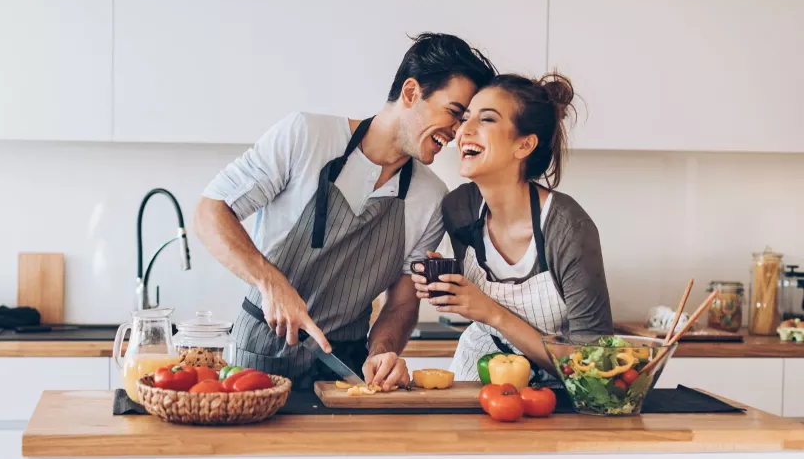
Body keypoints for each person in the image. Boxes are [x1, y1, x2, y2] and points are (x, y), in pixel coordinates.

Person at [196, 33, 497, 389]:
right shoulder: (306, 136)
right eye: (454, 113)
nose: (459, 132)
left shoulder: (431, 197)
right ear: (412, 92)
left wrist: (382, 353)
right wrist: (271, 282)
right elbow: (211, 211)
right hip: (259, 359)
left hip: (346, 370)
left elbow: (401, 304)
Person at [413, 72, 612, 380]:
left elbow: (594, 365)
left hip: (557, 392)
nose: (464, 130)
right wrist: (446, 283)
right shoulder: (459, 207)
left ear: (524, 145)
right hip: (477, 372)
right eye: (465, 118)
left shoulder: (567, 227)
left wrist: (489, 311)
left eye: (487, 119)